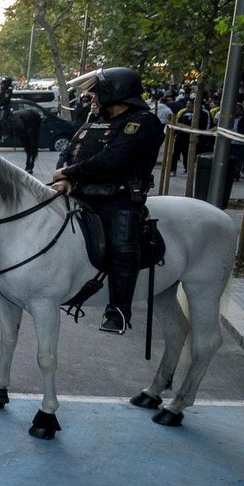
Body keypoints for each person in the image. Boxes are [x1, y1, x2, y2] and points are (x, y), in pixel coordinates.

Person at [53, 67, 165, 336]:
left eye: (97, 92)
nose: (92, 97)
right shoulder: (95, 121)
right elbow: (71, 150)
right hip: (80, 193)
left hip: (118, 198)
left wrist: (69, 173)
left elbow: (113, 159)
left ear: (114, 92)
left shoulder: (142, 122)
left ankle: (118, 310)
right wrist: (65, 176)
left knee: (121, 247)